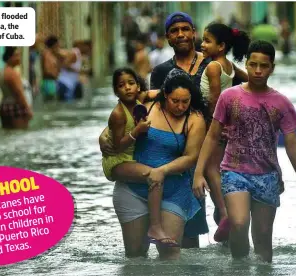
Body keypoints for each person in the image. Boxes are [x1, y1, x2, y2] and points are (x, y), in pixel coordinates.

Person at [192, 40, 296, 263]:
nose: (258, 71)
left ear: (272, 68)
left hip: (267, 175)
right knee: (238, 223)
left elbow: (292, 144)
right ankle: (239, 267)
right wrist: (198, 173)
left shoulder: (281, 102)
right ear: (246, 64)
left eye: (264, 66)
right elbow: (212, 136)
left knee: (263, 240)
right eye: (253, 64)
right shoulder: (229, 97)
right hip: (233, 171)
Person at [147, 11, 247, 248]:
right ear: (167, 38)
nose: (180, 34)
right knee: (188, 229)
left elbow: (245, 84)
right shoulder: (161, 71)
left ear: (193, 32)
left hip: (215, 143)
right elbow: (153, 110)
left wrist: (231, 122)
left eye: (185, 29)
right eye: (174, 30)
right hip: (178, 154)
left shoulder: (212, 62)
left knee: (227, 208)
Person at [102, 67, 180, 247]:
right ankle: (155, 226)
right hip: (118, 161)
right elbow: (117, 146)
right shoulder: (118, 114)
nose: (127, 88)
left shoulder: (141, 98)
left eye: (131, 83)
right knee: (154, 176)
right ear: (116, 91)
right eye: (121, 85)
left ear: (138, 86)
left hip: (132, 158)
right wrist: (137, 131)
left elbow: (162, 92)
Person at [199, 22, 251, 241]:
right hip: (227, 122)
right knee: (218, 168)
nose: (202, 44)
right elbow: (248, 78)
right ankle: (226, 211)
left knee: (211, 169)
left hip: (215, 124)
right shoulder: (228, 65)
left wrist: (215, 126)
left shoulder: (213, 67)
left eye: (207, 41)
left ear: (221, 46)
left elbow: (215, 99)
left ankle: (224, 212)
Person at [0, 47, 33, 129]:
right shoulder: (12, 73)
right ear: (10, 58)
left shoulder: (3, 71)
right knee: (19, 134)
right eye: (16, 56)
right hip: (14, 106)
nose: (19, 58)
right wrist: (27, 109)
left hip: (5, 105)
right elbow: (19, 93)